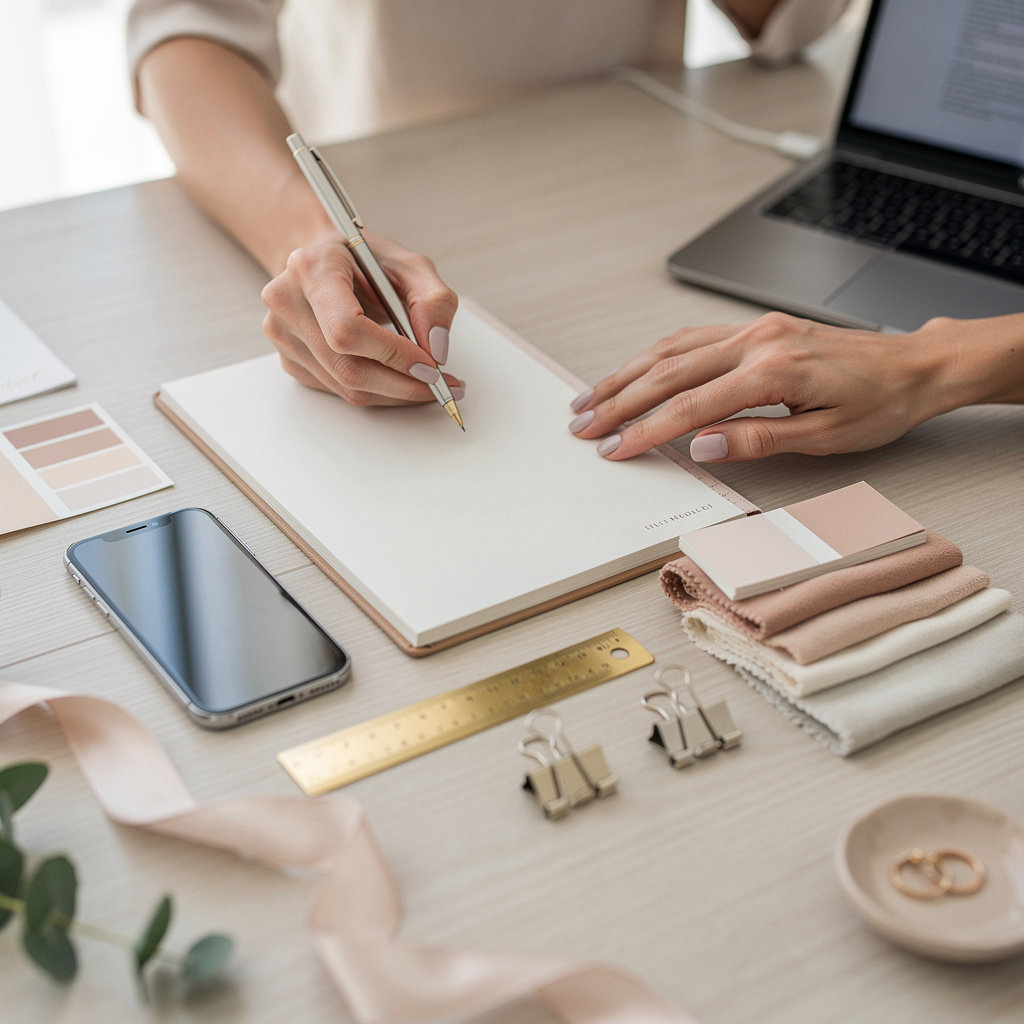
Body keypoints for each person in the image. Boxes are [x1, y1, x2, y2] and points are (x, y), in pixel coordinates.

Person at [128, 0, 1024, 462]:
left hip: (639, 186)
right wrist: (312, 236)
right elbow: (186, 38)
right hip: (386, 196)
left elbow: (788, 24)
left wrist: (939, 361)